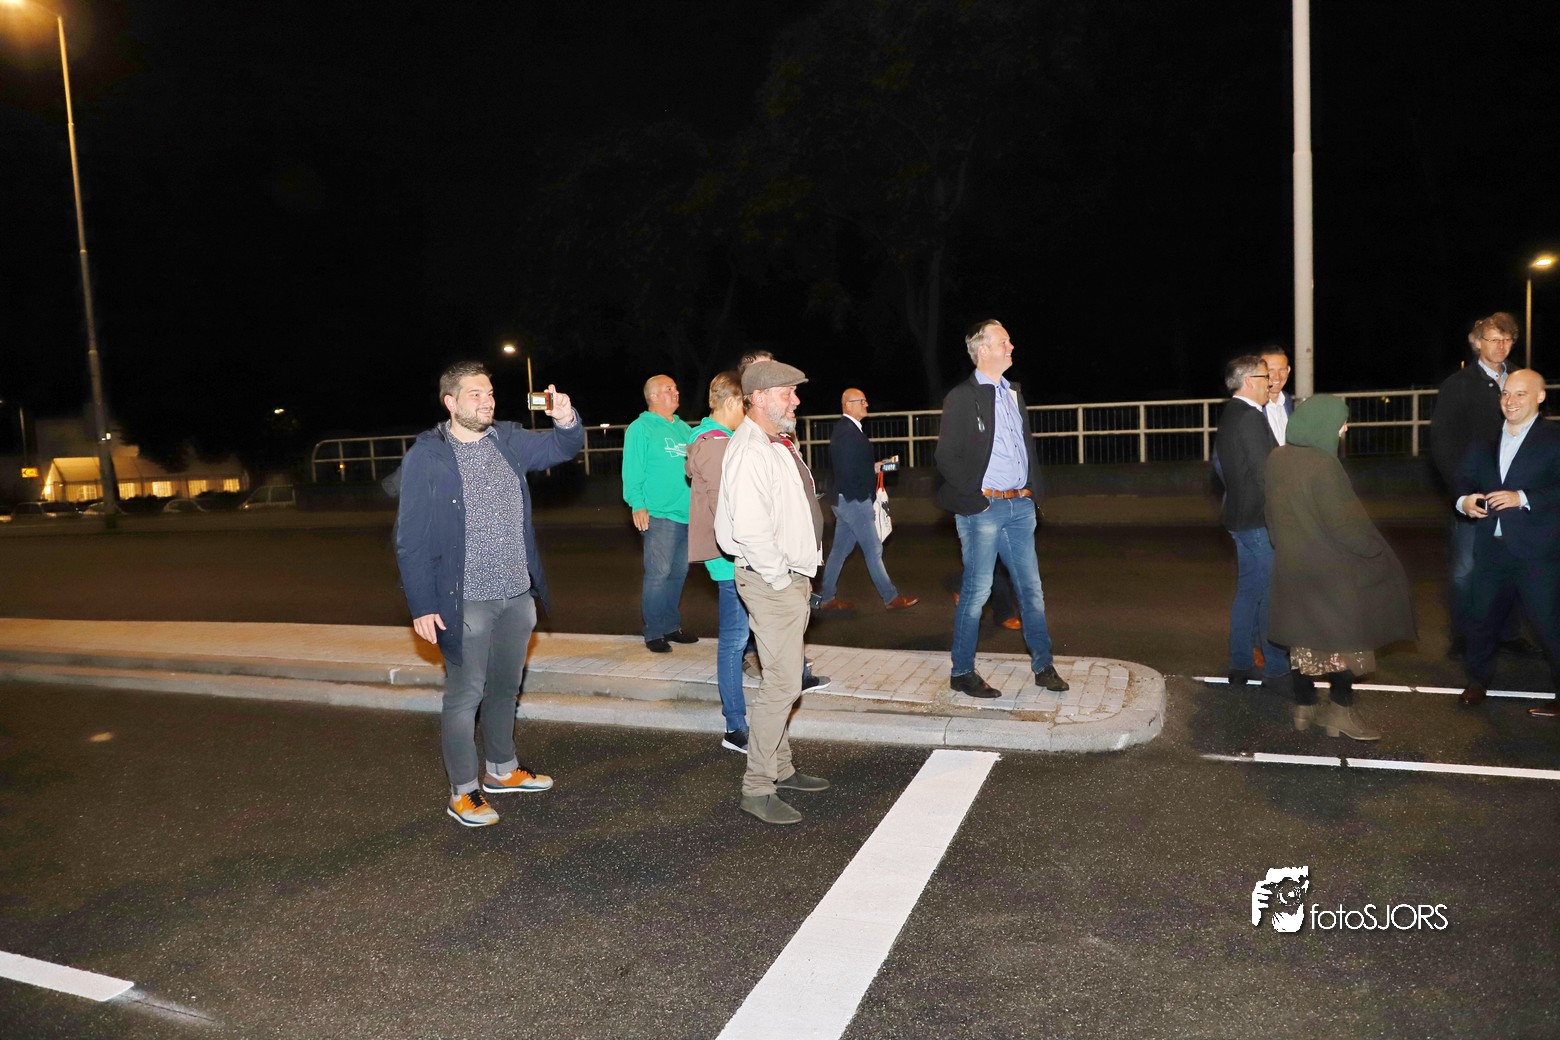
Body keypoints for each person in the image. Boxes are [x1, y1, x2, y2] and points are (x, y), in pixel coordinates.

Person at [393, 361, 583, 827]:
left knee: (505, 689)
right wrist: (422, 605)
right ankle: (463, 791)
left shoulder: (508, 439)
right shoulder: (428, 455)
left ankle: (502, 768)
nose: (487, 401)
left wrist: (565, 418)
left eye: (490, 393)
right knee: (465, 696)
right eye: (475, 394)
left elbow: (563, 447)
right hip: (466, 600)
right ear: (451, 402)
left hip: (517, 595)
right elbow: (410, 538)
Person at [715, 358, 831, 825]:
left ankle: (782, 769)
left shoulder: (776, 442)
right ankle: (757, 787)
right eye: (788, 393)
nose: (796, 400)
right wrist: (783, 581)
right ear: (759, 398)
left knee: (781, 680)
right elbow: (751, 530)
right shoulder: (750, 450)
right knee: (783, 684)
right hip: (771, 581)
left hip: (785, 578)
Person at [934, 319, 1070, 699]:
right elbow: (946, 457)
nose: (1011, 347)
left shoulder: (1012, 393)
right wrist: (977, 499)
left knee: (1032, 590)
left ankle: (1043, 666)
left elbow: (1026, 447)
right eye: (1004, 342)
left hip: (1019, 506)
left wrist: (1032, 493)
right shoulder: (962, 397)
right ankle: (962, 672)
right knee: (978, 592)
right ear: (983, 351)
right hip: (985, 509)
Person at [1266, 395, 1415, 740]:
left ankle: (1304, 706)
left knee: (1302, 638)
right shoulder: (1324, 465)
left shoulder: (1276, 458)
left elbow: (1271, 515)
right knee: (1347, 639)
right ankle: (1339, 711)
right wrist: (1374, 550)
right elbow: (1346, 527)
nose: (1344, 429)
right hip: (1331, 569)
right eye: (1341, 423)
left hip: (1294, 565)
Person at [1453, 369, 1560, 720]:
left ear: (1540, 397)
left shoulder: (1554, 438)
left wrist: (1522, 497)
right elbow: (1463, 478)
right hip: (1492, 549)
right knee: (1481, 619)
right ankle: (1477, 682)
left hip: (1538, 553)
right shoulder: (1484, 439)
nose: (1510, 401)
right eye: (1505, 394)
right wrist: (1465, 501)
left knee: (1549, 625)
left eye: (1520, 394)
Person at [1429, 313, 1532, 659]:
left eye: (1507, 339)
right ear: (1477, 343)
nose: (1501, 346)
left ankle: (1508, 633)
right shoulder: (1457, 385)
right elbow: (1443, 443)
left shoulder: (1521, 379)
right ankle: (1464, 635)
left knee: (1512, 564)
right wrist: (1461, 493)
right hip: (1474, 494)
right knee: (1466, 570)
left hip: (1514, 492)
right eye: (1493, 339)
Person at [687, 371, 755, 754]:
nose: (748, 412)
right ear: (731, 402)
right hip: (732, 559)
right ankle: (734, 726)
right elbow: (725, 509)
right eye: (745, 404)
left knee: (745, 636)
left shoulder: (718, 439)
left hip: (735, 555)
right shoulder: (715, 444)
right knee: (734, 641)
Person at [1213, 353, 1290, 688]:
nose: (1270, 382)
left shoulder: (1231, 414)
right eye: (1264, 377)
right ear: (1248, 382)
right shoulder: (1251, 417)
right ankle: (1276, 669)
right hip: (1258, 520)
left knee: (1248, 592)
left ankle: (1241, 663)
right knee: (1270, 596)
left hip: (1239, 517)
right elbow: (1265, 474)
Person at [814, 387, 919, 612]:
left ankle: (826, 597)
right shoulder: (847, 432)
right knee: (873, 550)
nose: (866, 404)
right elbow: (847, 472)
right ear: (848, 405)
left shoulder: (848, 430)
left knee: (839, 551)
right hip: (853, 501)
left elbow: (853, 467)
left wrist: (877, 467)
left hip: (845, 500)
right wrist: (864, 500)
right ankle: (891, 597)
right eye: (862, 401)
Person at [623, 374, 697, 653]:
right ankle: (654, 631)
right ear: (653, 396)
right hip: (658, 514)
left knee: (679, 572)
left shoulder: (684, 428)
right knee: (659, 573)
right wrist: (637, 503)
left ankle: (670, 626)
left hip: (687, 514)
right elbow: (632, 469)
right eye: (668, 389)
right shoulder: (640, 428)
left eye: (676, 388)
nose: (676, 392)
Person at [1260, 348, 1295, 445]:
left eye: (1282, 370)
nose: (1277, 376)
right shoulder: (1251, 405)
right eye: (1270, 371)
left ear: (1288, 370)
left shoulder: (1287, 401)